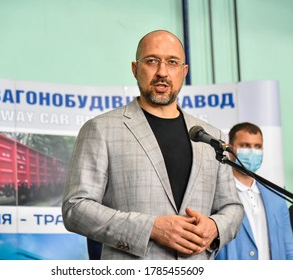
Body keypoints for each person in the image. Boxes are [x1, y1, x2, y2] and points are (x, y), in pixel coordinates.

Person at [62, 30, 243, 260]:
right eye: (151, 61)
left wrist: (215, 227)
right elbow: (75, 208)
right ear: (135, 69)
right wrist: (151, 228)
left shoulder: (210, 137)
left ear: (184, 71)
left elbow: (233, 207)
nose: (162, 72)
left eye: (172, 62)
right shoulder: (101, 129)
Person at [216, 122, 293, 260]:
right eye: (245, 145)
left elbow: (289, 248)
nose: (252, 152)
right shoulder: (217, 194)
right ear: (230, 148)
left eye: (257, 146)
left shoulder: (276, 196)